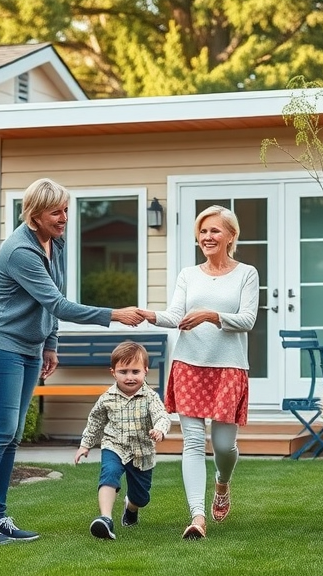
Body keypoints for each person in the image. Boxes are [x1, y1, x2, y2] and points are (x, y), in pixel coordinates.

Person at [0, 177, 144, 545]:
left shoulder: (53, 243)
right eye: (56, 211)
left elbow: (51, 300)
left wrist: (50, 343)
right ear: (34, 214)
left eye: (66, 210)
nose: (64, 218)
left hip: (27, 347)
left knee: (10, 438)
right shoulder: (20, 251)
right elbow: (58, 304)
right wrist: (113, 314)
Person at [138, 205, 259, 540]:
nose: (207, 236)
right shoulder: (188, 275)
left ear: (231, 236)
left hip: (228, 368)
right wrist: (150, 315)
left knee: (223, 446)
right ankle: (197, 516)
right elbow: (176, 313)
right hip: (189, 365)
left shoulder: (246, 273)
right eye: (203, 231)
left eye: (215, 231)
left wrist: (208, 315)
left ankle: (223, 482)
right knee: (192, 442)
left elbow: (248, 320)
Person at [74, 340, 171, 540]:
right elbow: (95, 421)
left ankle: (131, 507)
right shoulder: (107, 397)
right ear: (113, 372)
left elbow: (162, 415)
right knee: (109, 474)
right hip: (114, 445)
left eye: (135, 372)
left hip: (141, 452)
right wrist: (85, 444)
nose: (129, 377)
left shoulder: (150, 397)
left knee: (141, 497)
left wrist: (159, 430)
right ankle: (105, 519)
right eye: (123, 372)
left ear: (145, 371)